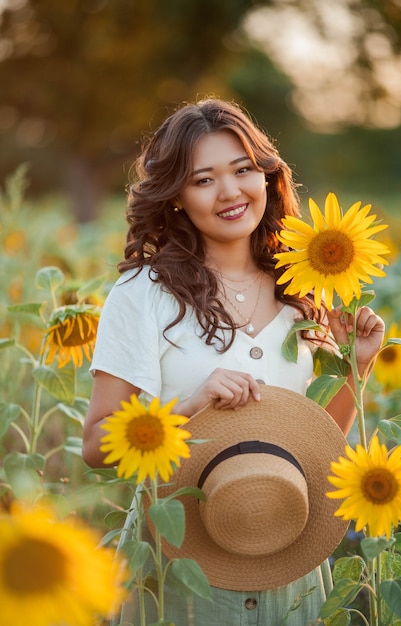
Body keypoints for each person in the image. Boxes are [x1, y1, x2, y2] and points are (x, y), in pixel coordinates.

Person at [82, 98, 385, 625]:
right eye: (203, 179)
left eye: (243, 170)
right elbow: (96, 445)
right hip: (178, 563)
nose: (230, 192)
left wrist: (355, 368)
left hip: (288, 548)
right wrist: (189, 408)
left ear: (266, 177)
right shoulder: (143, 294)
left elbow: (317, 444)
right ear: (176, 197)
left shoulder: (303, 289)